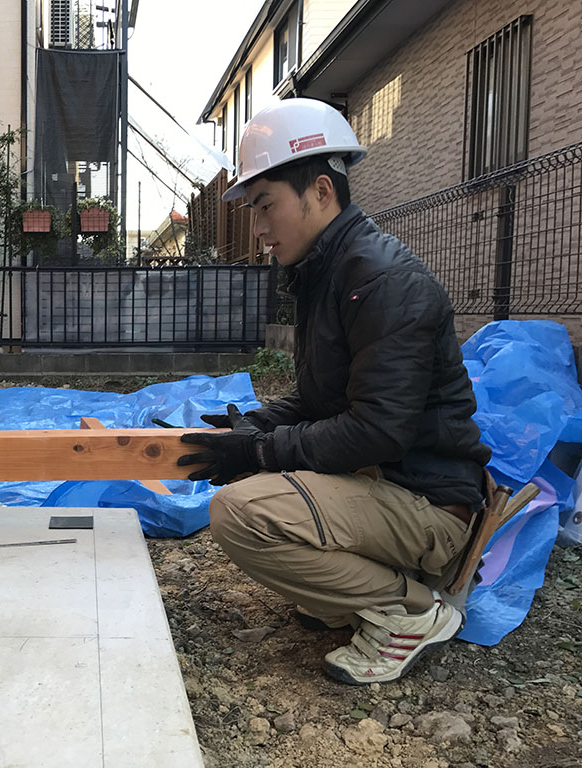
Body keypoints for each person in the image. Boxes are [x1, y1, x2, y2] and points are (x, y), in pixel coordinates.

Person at [177, 98, 492, 686]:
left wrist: (261, 452)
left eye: (265, 205)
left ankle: (413, 610)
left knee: (240, 514)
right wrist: (254, 426)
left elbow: (379, 429)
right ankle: (351, 598)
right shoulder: (332, 274)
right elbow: (321, 400)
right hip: (386, 482)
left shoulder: (382, 282)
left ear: (321, 191)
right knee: (255, 475)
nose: (259, 227)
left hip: (427, 503)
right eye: (252, 208)